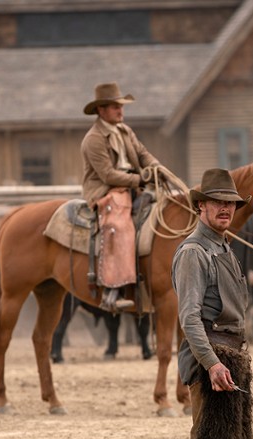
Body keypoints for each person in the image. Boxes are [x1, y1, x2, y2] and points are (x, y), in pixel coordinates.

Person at [171, 168, 253, 439]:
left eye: (230, 203)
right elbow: (189, 320)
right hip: (210, 361)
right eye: (218, 201)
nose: (226, 208)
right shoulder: (194, 253)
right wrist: (212, 364)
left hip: (231, 358)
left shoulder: (224, 247)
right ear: (201, 205)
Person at [81, 81, 163, 311]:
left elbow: (143, 154)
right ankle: (112, 291)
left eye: (121, 106)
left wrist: (157, 168)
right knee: (118, 224)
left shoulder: (125, 131)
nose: (121, 111)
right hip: (106, 190)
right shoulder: (94, 139)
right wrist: (140, 179)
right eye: (115, 107)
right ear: (101, 110)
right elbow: (107, 175)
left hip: (132, 187)